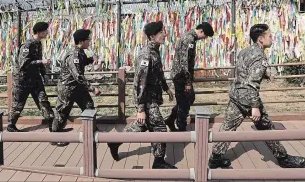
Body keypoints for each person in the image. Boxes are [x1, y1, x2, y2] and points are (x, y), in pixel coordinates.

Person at [208, 24, 305, 169]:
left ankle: (215, 158)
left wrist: (265, 72)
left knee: (227, 128)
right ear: (261, 39)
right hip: (249, 98)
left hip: (237, 95)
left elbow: (245, 71)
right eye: (269, 36)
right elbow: (252, 83)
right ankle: (283, 158)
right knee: (266, 127)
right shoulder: (260, 56)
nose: (272, 38)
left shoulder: (245, 51)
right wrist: (254, 107)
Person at [107, 21, 177, 169]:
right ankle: (158, 161)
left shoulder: (155, 51)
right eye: (160, 33)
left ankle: (114, 142)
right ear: (152, 36)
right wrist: (140, 109)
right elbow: (140, 83)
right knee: (160, 129)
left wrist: (167, 89)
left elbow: (158, 74)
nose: (164, 35)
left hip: (152, 97)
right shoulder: (146, 55)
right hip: (146, 100)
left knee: (141, 126)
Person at [51, 29, 101, 147]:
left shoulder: (80, 52)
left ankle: (92, 129)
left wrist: (92, 60)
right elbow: (78, 75)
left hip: (78, 88)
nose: (90, 42)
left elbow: (81, 63)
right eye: (88, 40)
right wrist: (92, 89)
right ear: (82, 41)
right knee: (62, 112)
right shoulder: (73, 54)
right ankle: (54, 137)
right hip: (68, 88)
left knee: (88, 105)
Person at [165, 22, 214, 132]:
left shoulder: (189, 37)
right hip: (181, 77)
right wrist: (187, 82)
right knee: (184, 102)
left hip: (181, 76)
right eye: (205, 36)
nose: (204, 39)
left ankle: (171, 119)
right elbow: (185, 62)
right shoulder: (190, 39)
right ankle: (181, 127)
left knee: (188, 99)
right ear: (201, 31)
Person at [7, 22, 54, 132]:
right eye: (45, 31)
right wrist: (41, 61)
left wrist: (44, 74)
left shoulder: (38, 44)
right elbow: (24, 64)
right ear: (38, 32)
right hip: (22, 80)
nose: (47, 33)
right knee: (18, 103)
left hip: (35, 78)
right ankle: (11, 125)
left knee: (43, 100)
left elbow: (39, 61)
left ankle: (52, 123)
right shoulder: (27, 45)